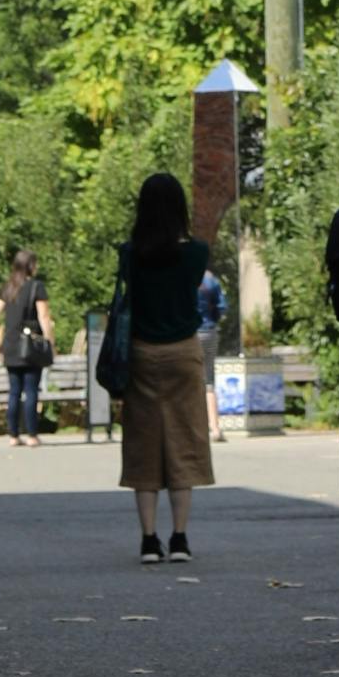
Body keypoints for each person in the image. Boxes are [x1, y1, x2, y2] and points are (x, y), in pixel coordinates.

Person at [113, 171, 219, 561]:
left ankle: (147, 540)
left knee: (143, 444)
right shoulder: (196, 253)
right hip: (183, 354)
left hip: (141, 353)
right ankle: (179, 538)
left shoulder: (129, 254)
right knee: (184, 440)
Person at [0, 248, 55, 443]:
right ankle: (32, 435)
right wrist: (49, 342)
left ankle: (13, 435)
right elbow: (44, 316)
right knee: (31, 390)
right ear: (30, 265)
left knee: (14, 391)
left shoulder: (9, 287)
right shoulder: (36, 287)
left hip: (10, 346)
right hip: (30, 346)